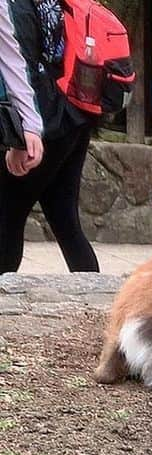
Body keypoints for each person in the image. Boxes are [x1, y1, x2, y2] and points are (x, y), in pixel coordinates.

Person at [0, 0, 99, 273]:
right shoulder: (55, 2)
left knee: (8, 217)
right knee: (66, 221)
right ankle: (94, 299)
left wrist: (22, 133)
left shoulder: (16, 6)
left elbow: (20, 65)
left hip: (45, 120)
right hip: (73, 114)